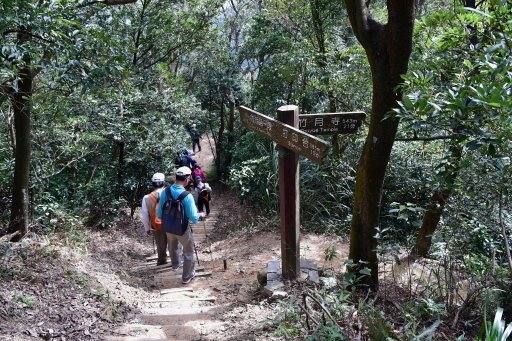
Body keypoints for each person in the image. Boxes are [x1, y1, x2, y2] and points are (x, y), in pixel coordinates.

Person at [157, 167, 205, 284]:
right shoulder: (186, 196)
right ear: (187, 179)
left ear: (176, 178)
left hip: (168, 227)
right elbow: (193, 218)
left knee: (172, 246)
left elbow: (159, 214)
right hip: (182, 229)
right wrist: (200, 214)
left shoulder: (165, 192)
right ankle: (187, 276)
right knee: (188, 252)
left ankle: (175, 264)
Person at [140, 172, 169, 266]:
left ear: (152, 183)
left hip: (156, 224)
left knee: (160, 244)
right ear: (164, 182)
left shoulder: (146, 198)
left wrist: (147, 228)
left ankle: (162, 260)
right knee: (174, 243)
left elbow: (144, 215)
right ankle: (176, 261)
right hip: (172, 223)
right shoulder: (170, 194)